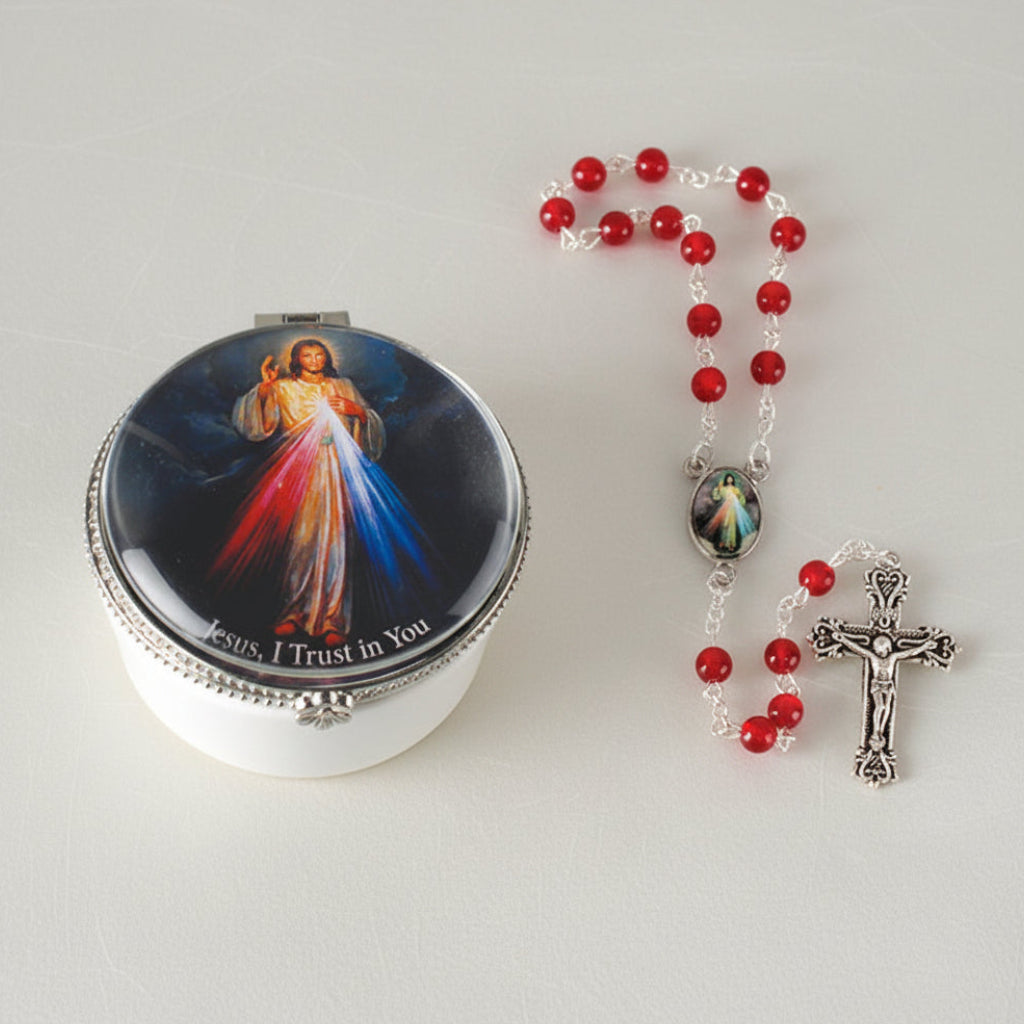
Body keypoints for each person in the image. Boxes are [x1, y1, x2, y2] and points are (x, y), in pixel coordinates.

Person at [209, 338, 385, 647]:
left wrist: (358, 412)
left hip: (338, 470)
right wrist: (264, 389)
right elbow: (256, 427)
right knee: (301, 541)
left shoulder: (343, 385)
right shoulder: (284, 388)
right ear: (296, 358)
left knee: (336, 541)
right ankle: (294, 613)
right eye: (307, 355)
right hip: (300, 468)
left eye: (319, 354)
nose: (315, 359)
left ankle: (333, 619)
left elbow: (371, 424)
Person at [702, 472, 756, 554]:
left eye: (731, 478)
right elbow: (717, 497)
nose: (729, 480)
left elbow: (742, 500)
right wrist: (718, 489)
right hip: (724, 508)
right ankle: (722, 542)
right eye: (728, 478)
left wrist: (738, 497)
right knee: (724, 525)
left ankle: (731, 544)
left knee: (732, 526)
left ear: (733, 480)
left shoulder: (736, 489)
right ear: (726, 479)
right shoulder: (723, 489)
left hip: (733, 509)